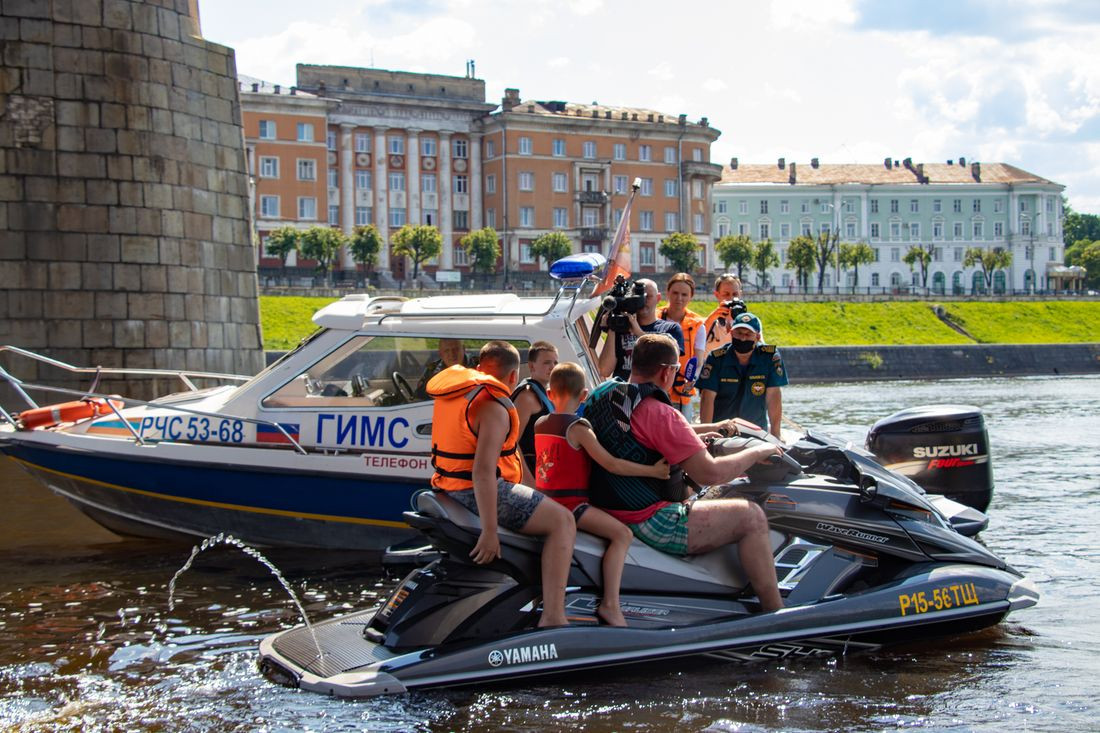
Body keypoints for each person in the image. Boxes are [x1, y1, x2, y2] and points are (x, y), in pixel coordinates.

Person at [584, 333, 785, 613]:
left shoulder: (605, 392)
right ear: (667, 373)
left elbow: (641, 434)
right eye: (676, 370)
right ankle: (774, 612)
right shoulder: (661, 413)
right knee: (750, 515)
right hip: (646, 517)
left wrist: (710, 427)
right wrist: (758, 452)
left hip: (605, 506)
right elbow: (710, 474)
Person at [426, 341, 577, 627]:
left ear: (480, 367)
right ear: (513, 377)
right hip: (473, 492)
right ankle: (554, 616)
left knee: (544, 507)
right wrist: (489, 531)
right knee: (563, 521)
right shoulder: (492, 407)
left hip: (446, 485)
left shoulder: (455, 394)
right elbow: (483, 472)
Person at [535, 362, 670, 627]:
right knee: (623, 534)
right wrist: (652, 471)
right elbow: (611, 464)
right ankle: (610, 604)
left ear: (550, 394)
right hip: (572, 505)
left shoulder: (540, 423)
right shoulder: (579, 428)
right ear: (584, 396)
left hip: (546, 502)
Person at [697, 312, 787, 440]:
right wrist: (707, 433)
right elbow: (707, 397)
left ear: (757, 337)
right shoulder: (716, 358)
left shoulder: (770, 357)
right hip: (722, 431)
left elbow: (774, 396)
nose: (743, 338)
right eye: (739, 333)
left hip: (757, 431)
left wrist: (776, 434)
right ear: (731, 333)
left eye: (748, 334)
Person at [597, 278, 684, 382]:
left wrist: (639, 333)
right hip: (623, 394)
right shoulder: (621, 328)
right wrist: (613, 326)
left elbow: (671, 360)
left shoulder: (670, 329)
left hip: (652, 394)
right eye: (638, 297)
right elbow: (604, 371)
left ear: (658, 298)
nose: (643, 301)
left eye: (648, 297)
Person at [658, 273, 707, 421]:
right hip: (656, 386)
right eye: (675, 293)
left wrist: (693, 379)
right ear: (668, 293)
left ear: (691, 297)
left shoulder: (698, 325)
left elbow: (698, 361)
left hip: (681, 390)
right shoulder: (655, 317)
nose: (679, 298)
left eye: (684, 294)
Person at [512, 341, 559, 476]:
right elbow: (511, 443)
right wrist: (527, 480)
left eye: (555, 363)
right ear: (532, 366)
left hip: (543, 472)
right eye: (546, 363)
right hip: (530, 475)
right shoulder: (527, 397)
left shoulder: (546, 393)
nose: (552, 367)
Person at [703, 274, 746, 355]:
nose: (731, 299)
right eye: (726, 294)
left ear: (740, 294)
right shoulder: (709, 322)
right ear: (717, 295)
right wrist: (713, 317)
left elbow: (759, 350)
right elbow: (697, 343)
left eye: (735, 294)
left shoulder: (750, 322)